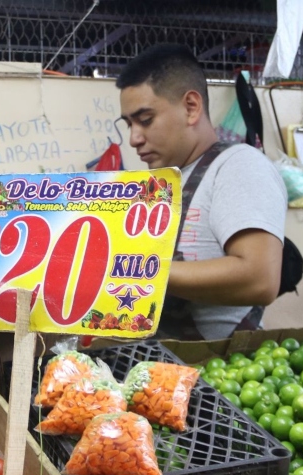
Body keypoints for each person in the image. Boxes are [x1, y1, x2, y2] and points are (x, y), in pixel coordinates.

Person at [117, 45, 287, 339]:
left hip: (214, 373)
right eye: (129, 124)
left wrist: (136, 271)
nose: (134, 138)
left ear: (191, 107)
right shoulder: (161, 185)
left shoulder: (238, 167)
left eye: (145, 120)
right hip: (155, 369)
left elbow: (261, 278)